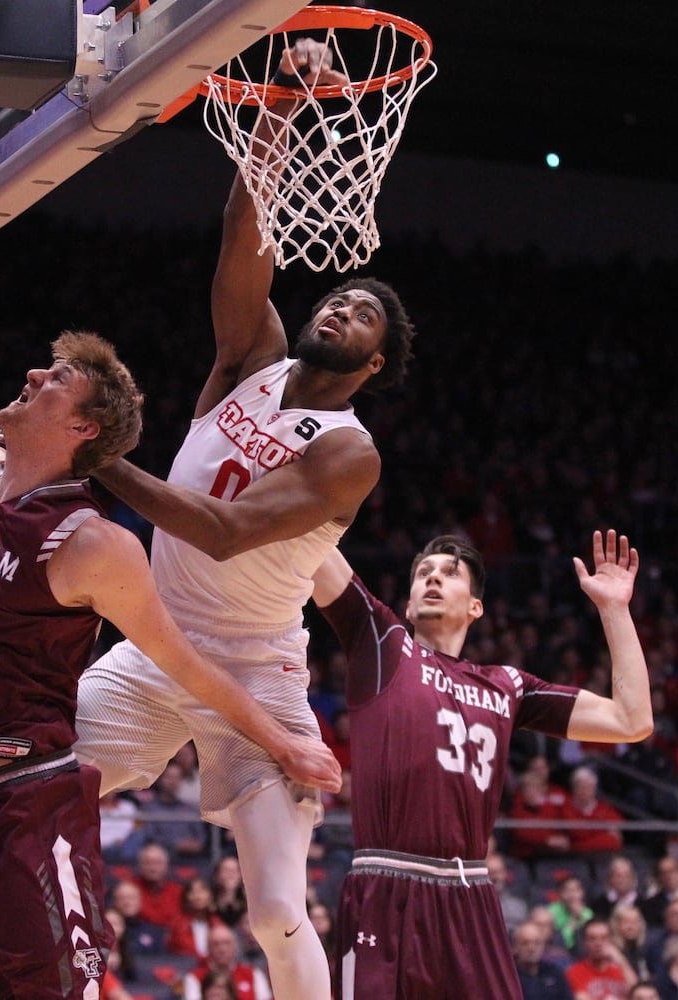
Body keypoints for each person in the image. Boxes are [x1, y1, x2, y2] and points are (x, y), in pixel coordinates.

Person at [75, 39, 413, 1000]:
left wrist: (103, 461)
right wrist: (279, 112)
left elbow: (219, 530)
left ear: (374, 364)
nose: (342, 309)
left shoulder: (348, 448)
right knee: (35, 789)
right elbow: (242, 241)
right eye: (340, 297)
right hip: (153, 645)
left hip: (256, 670)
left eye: (363, 318)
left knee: (272, 909)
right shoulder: (246, 360)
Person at [0, 330, 341, 1000]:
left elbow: (183, 663)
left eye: (56, 378)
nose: (33, 373)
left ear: (83, 427)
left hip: (30, 806)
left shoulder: (92, 543)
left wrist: (283, 741)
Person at [309, 529, 652, 999]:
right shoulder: (384, 643)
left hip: (469, 894)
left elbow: (631, 720)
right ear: (408, 606)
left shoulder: (506, 685)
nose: (433, 578)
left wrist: (614, 610)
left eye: (450, 574)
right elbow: (310, 545)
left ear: (475, 607)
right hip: (385, 887)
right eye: (423, 573)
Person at [182, 924, 272, 1000]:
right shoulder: (195, 977)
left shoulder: (253, 974)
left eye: (226, 943)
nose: (222, 949)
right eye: (216, 944)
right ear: (208, 948)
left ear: (235, 947)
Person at [566, 918, 637, 998]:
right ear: (584, 943)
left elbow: (638, 994)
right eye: (592, 939)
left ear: (611, 941)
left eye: (604, 938)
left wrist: (621, 960)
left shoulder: (621, 969)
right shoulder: (574, 972)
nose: (598, 944)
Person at [514, 920, 575, 1000]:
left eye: (537, 943)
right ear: (515, 946)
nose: (531, 948)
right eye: (525, 943)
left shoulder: (555, 973)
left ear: (543, 945)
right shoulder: (510, 976)